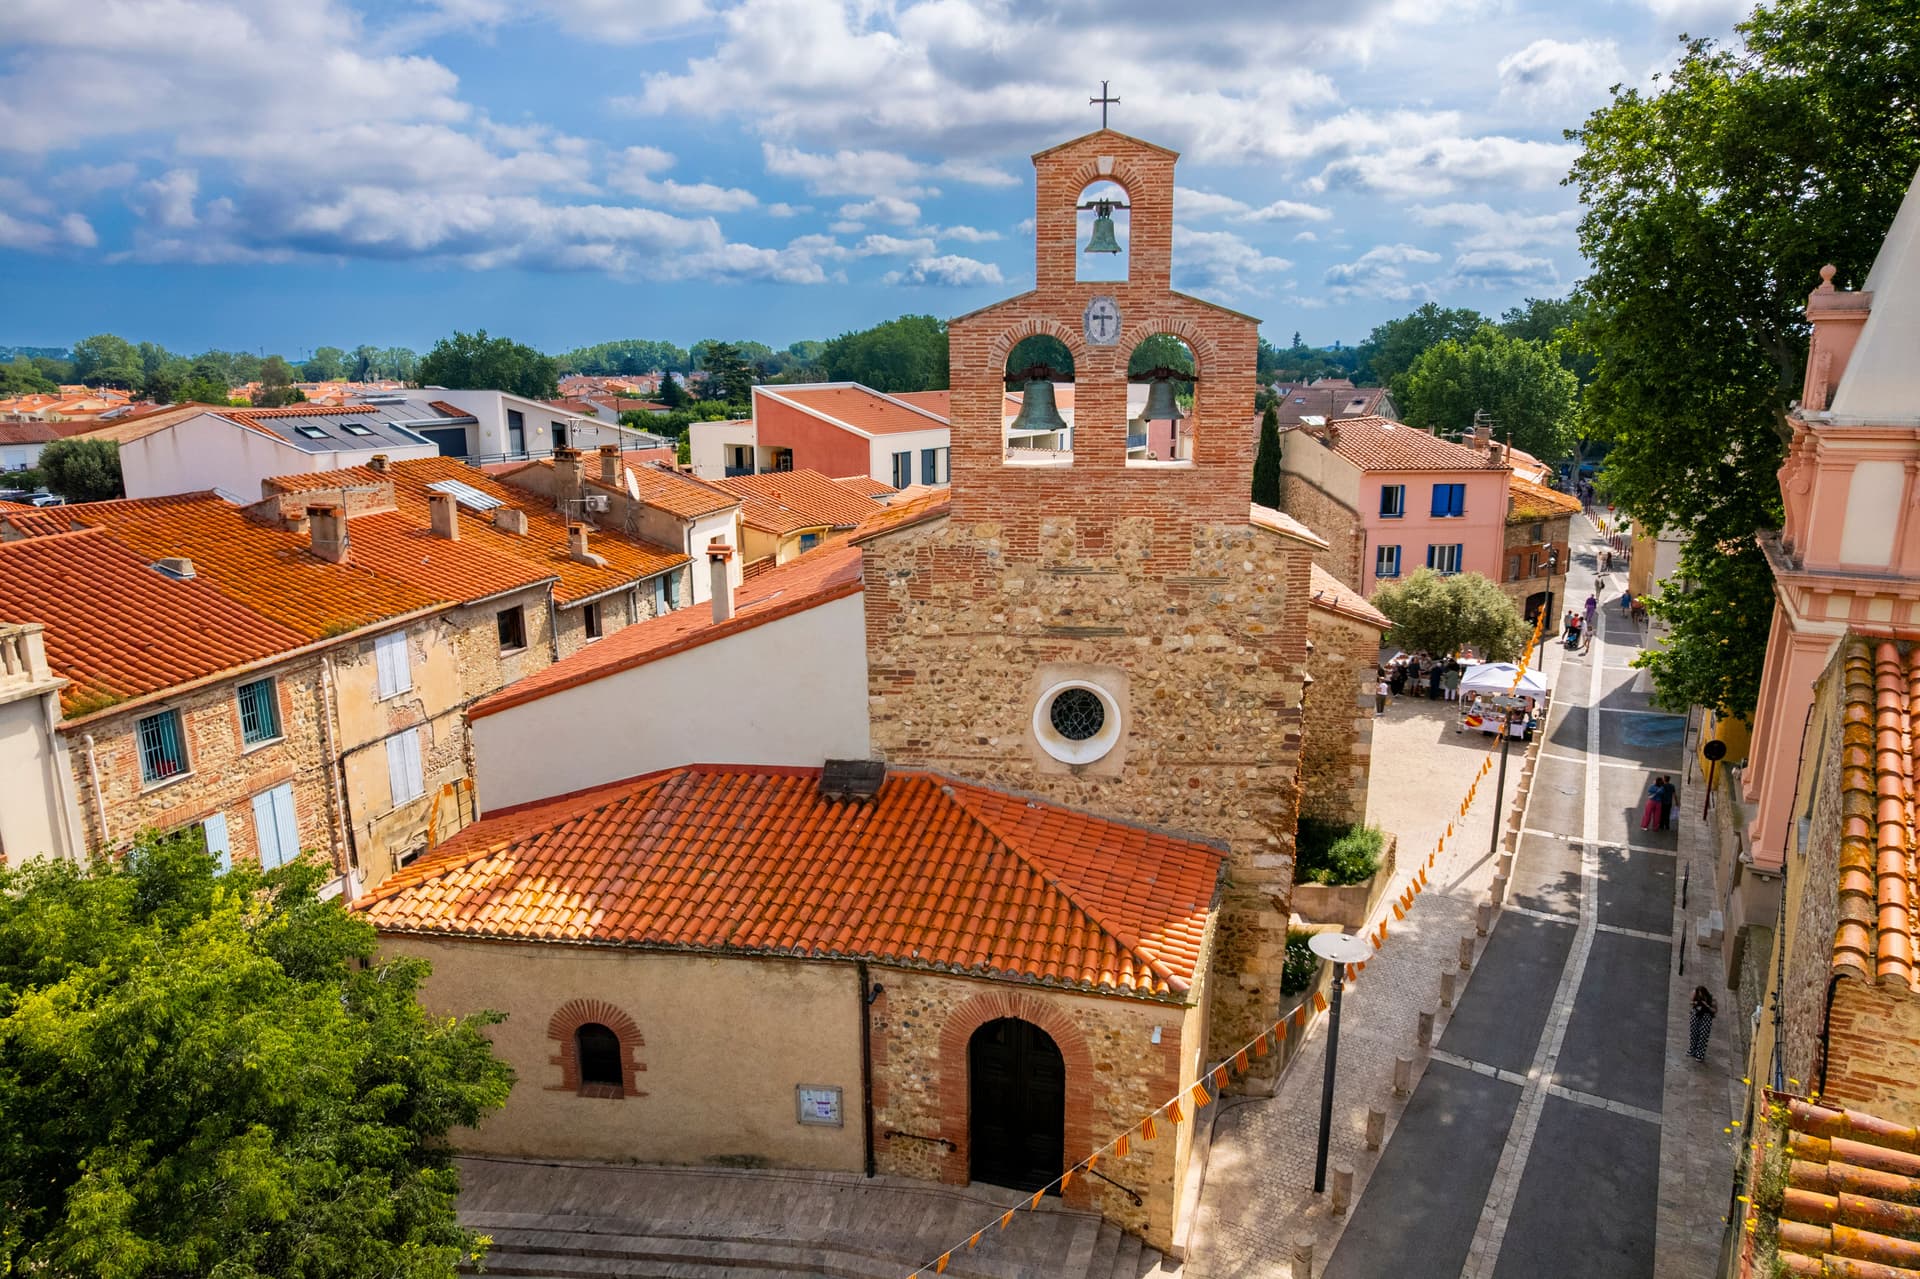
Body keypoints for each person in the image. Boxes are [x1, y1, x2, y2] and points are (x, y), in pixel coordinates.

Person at [1688, 987, 1717, 1062]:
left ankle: (1700, 1054)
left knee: (1703, 1036)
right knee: (1693, 1033)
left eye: (1702, 994)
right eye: (1699, 994)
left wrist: (1707, 1005)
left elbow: (1714, 1010)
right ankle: (1692, 1050)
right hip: (1696, 1015)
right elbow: (1691, 1002)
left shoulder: (1712, 999)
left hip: (1706, 1018)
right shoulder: (1695, 993)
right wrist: (1695, 1003)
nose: (1700, 996)